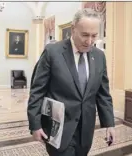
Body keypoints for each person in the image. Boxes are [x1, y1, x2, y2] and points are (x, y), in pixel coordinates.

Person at [27, 8, 115, 156]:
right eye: (85, 35)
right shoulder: (52, 52)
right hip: (58, 129)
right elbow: (37, 91)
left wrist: (109, 124)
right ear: (73, 29)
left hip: (85, 130)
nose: (89, 41)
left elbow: (103, 93)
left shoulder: (99, 56)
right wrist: (35, 125)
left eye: (94, 36)